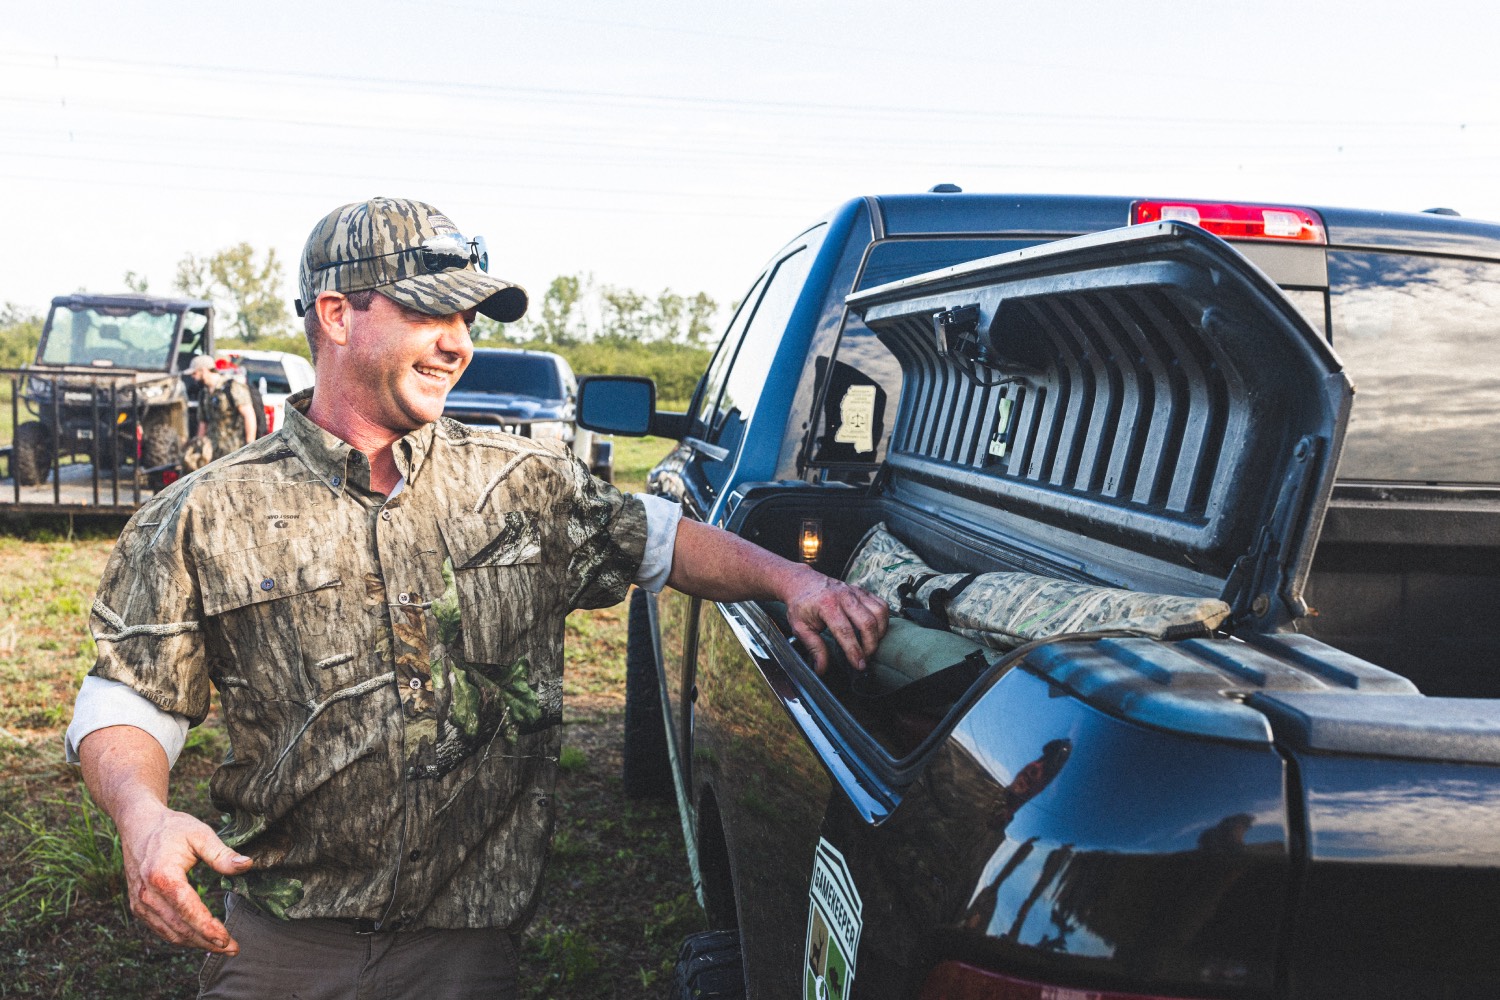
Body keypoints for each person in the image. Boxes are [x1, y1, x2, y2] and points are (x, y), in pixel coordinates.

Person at [65, 197, 888, 999]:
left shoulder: (522, 483)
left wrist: (797, 581)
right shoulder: (202, 513)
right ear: (337, 315)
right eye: (431, 315)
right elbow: (128, 701)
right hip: (285, 946)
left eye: (470, 322)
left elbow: (662, 539)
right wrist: (143, 817)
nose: (457, 345)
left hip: (467, 953)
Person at [186, 354, 257, 462]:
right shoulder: (203, 394)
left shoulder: (232, 387)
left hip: (234, 450)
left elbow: (249, 415)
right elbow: (203, 423)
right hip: (212, 453)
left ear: (204, 370)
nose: (193, 377)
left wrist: (250, 444)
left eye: (194, 373)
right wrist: (199, 446)